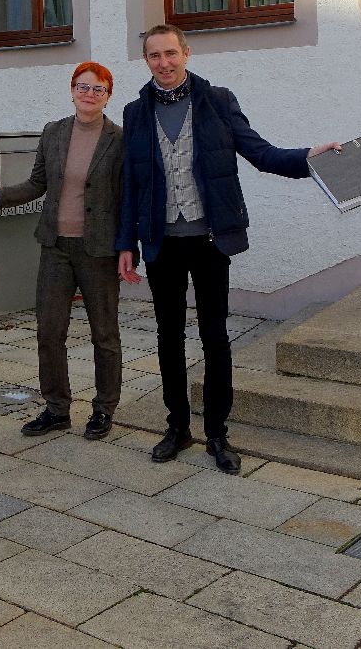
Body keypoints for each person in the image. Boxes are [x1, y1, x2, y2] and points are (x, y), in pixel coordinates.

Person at [116, 25, 339, 474]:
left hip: (209, 239)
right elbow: (131, 184)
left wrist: (308, 158)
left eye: (171, 53)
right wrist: (126, 244)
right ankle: (177, 427)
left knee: (215, 336)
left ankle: (218, 433)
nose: (164, 63)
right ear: (146, 61)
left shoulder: (217, 101)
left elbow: (260, 152)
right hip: (161, 241)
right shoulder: (135, 112)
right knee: (168, 337)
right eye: (155, 56)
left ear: (187, 52)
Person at [0, 62, 127, 441]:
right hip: (55, 246)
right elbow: (37, 183)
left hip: (99, 249)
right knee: (49, 331)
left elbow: (127, 198)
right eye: (82, 86)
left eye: (97, 89)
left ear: (108, 95)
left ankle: (104, 408)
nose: (88, 94)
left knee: (104, 333)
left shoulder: (120, 139)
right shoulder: (54, 132)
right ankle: (57, 408)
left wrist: (128, 247)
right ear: (72, 89)